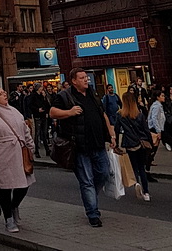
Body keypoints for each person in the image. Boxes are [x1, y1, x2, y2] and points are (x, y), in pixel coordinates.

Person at [49, 68, 116, 228]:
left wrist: (111, 135)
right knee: (86, 181)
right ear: (74, 81)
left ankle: (91, 197)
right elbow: (52, 112)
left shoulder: (93, 94)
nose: (86, 80)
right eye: (82, 78)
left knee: (104, 173)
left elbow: (103, 115)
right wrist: (69, 112)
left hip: (98, 143)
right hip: (79, 146)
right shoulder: (64, 96)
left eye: (86, 77)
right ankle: (93, 214)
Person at [0, 85, 35, 234]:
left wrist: (30, 146)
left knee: (24, 185)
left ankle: (14, 205)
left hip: (19, 154)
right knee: (5, 188)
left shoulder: (15, 111)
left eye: (4, 92)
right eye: (0, 93)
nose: (5, 94)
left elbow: (24, 130)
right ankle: (9, 219)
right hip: (1, 156)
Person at [115, 91, 152, 201]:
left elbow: (117, 130)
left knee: (134, 167)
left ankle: (136, 183)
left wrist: (116, 143)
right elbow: (146, 130)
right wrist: (150, 142)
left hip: (129, 143)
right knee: (142, 168)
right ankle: (146, 192)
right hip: (140, 143)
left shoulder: (120, 114)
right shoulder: (139, 114)